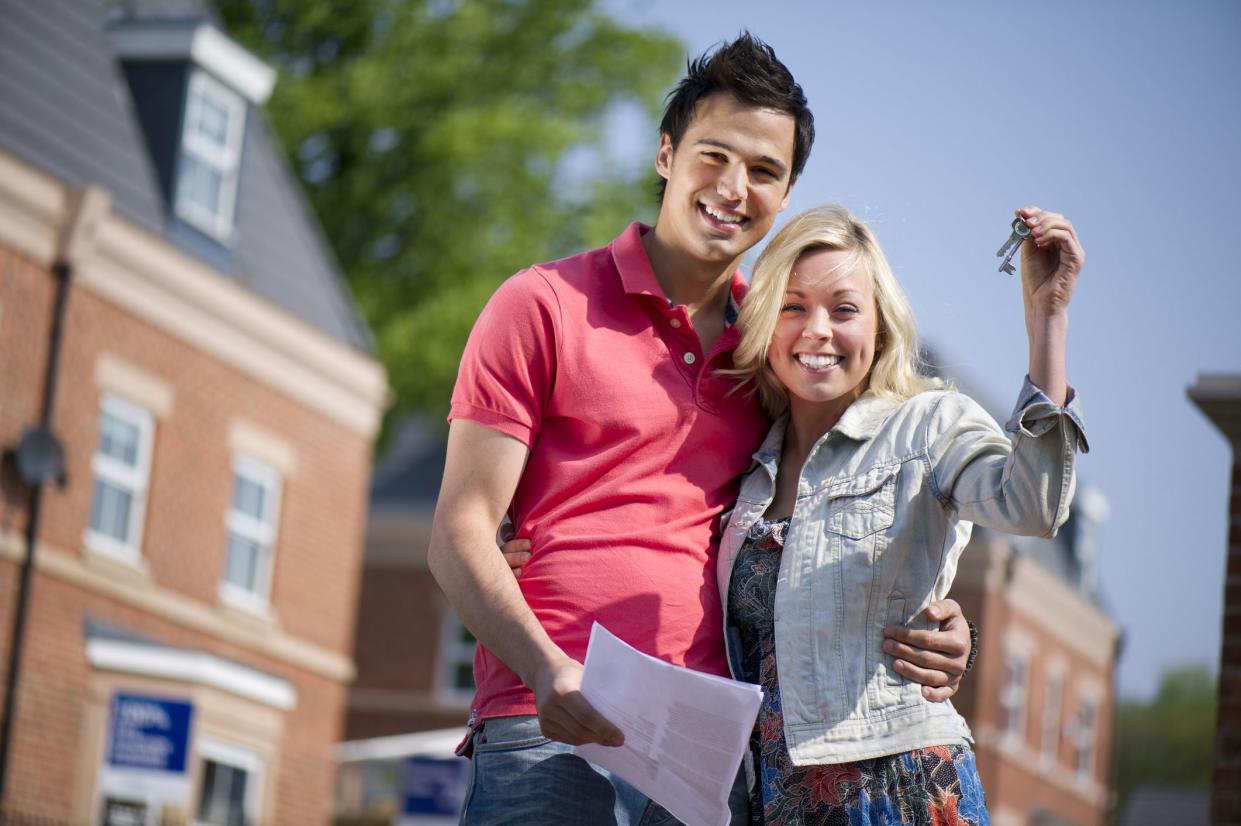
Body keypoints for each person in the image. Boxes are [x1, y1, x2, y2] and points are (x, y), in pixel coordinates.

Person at [428, 35, 975, 825]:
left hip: (707, 750)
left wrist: (942, 619)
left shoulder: (775, 351)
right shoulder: (540, 304)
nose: (732, 187)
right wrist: (547, 670)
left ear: (784, 193)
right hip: (543, 716)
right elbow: (457, 531)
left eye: (763, 171)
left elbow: (855, 509)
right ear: (665, 153)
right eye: (712, 156)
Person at [719, 203, 1087, 824]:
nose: (817, 330)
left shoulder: (930, 423)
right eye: (793, 306)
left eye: (843, 309)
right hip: (774, 798)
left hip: (902, 784)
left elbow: (1033, 506)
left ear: (880, 328)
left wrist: (1045, 318)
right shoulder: (746, 465)